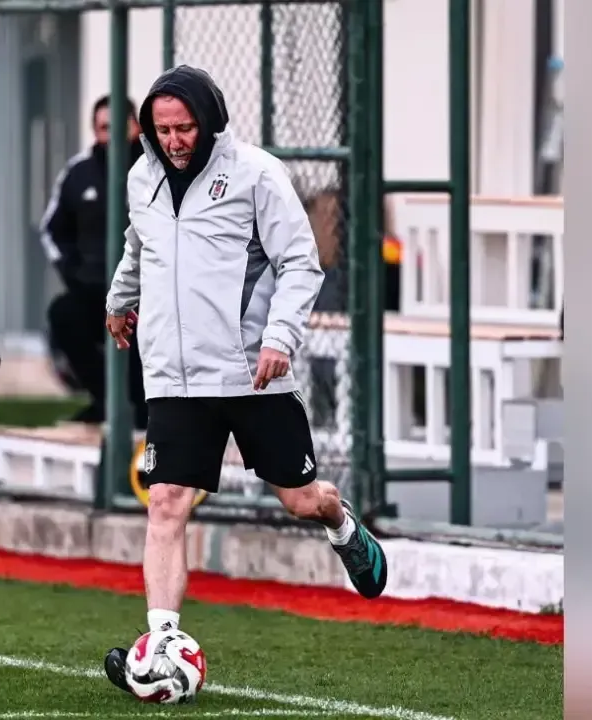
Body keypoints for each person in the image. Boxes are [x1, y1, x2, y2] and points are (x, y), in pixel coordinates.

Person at [98, 66, 390, 693]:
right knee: (166, 501)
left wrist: (280, 337)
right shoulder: (141, 176)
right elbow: (139, 245)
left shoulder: (257, 173)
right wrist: (120, 299)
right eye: (162, 129)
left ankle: (341, 523)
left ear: (209, 120)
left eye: (184, 128)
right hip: (175, 378)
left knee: (300, 500)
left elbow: (300, 262)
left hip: (252, 374)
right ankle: (163, 642)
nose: (173, 141)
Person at [39, 95, 148, 427]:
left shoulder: (155, 169)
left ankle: (140, 408)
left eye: (119, 126)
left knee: (142, 327)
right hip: (93, 288)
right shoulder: (79, 172)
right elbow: (52, 230)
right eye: (104, 127)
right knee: (64, 314)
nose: (111, 135)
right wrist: (76, 274)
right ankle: (105, 400)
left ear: (136, 126)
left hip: (147, 290)